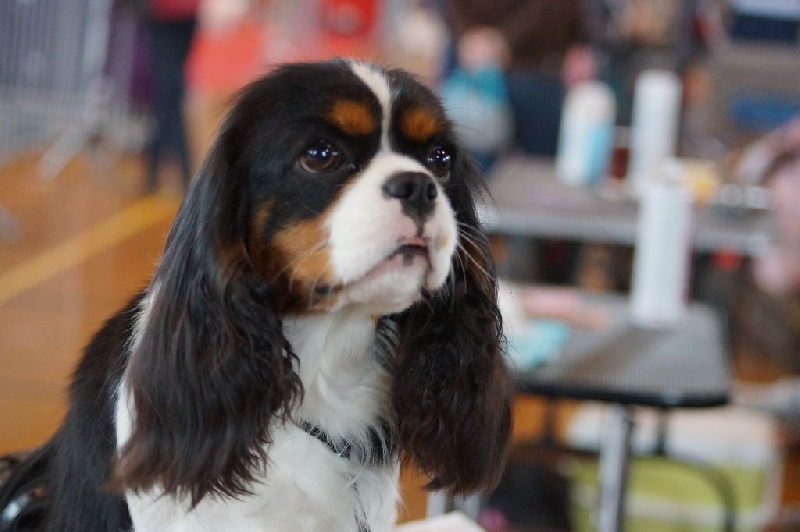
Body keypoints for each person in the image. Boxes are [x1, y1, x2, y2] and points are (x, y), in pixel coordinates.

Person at [448, 0, 596, 159]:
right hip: (475, 64)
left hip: (535, 69)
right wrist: (471, 36)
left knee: (537, 166)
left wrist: (500, 40)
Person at [141, 0, 201, 192]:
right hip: (166, 12)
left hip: (182, 12)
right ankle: (179, 167)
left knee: (171, 89)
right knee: (171, 89)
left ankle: (159, 166)